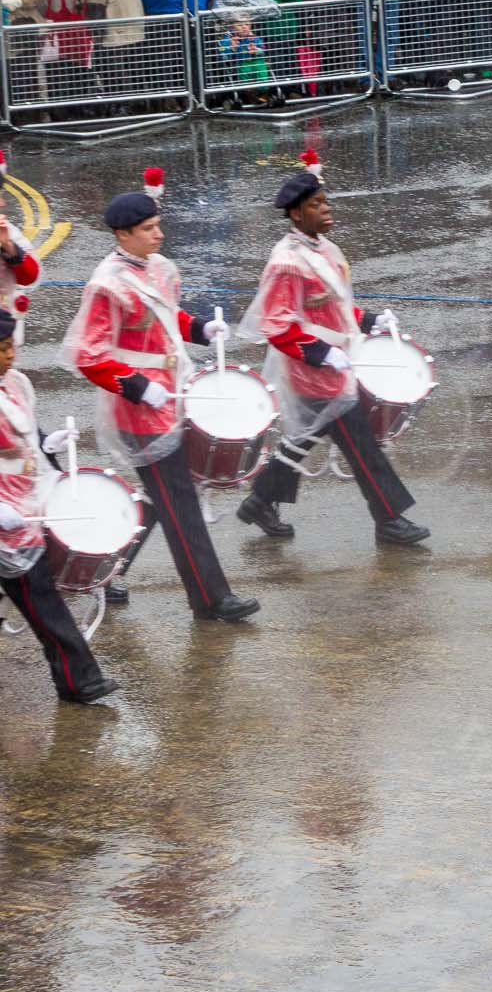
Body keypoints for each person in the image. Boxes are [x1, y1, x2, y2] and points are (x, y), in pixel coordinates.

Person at [59, 176, 257, 622]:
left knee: (162, 499)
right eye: (149, 228)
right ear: (123, 234)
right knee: (180, 503)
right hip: (139, 409)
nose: (159, 234)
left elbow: (168, 319)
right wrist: (137, 386)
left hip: (175, 395)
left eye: (157, 225)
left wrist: (200, 328)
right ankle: (211, 598)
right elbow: (88, 355)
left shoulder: (161, 268)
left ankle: (108, 574)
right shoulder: (106, 285)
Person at [234, 160, 429, 548]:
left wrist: (368, 319)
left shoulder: (323, 247)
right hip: (313, 370)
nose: (327, 210)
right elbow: (276, 325)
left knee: (305, 437)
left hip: (336, 362)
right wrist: (321, 353)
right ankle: (389, 520)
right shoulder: (286, 263)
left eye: (327, 202)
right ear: (295, 213)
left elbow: (332, 308)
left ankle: (259, 500)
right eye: (317, 204)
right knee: (362, 446)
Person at [0, 307, 118, 705]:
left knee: (41, 597)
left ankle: (79, 679)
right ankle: (78, 679)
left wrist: (46, 446)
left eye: (10, 346)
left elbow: (26, 436)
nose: (10, 355)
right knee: (40, 599)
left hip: (21, 512)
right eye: (1, 348)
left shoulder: (14, 384)